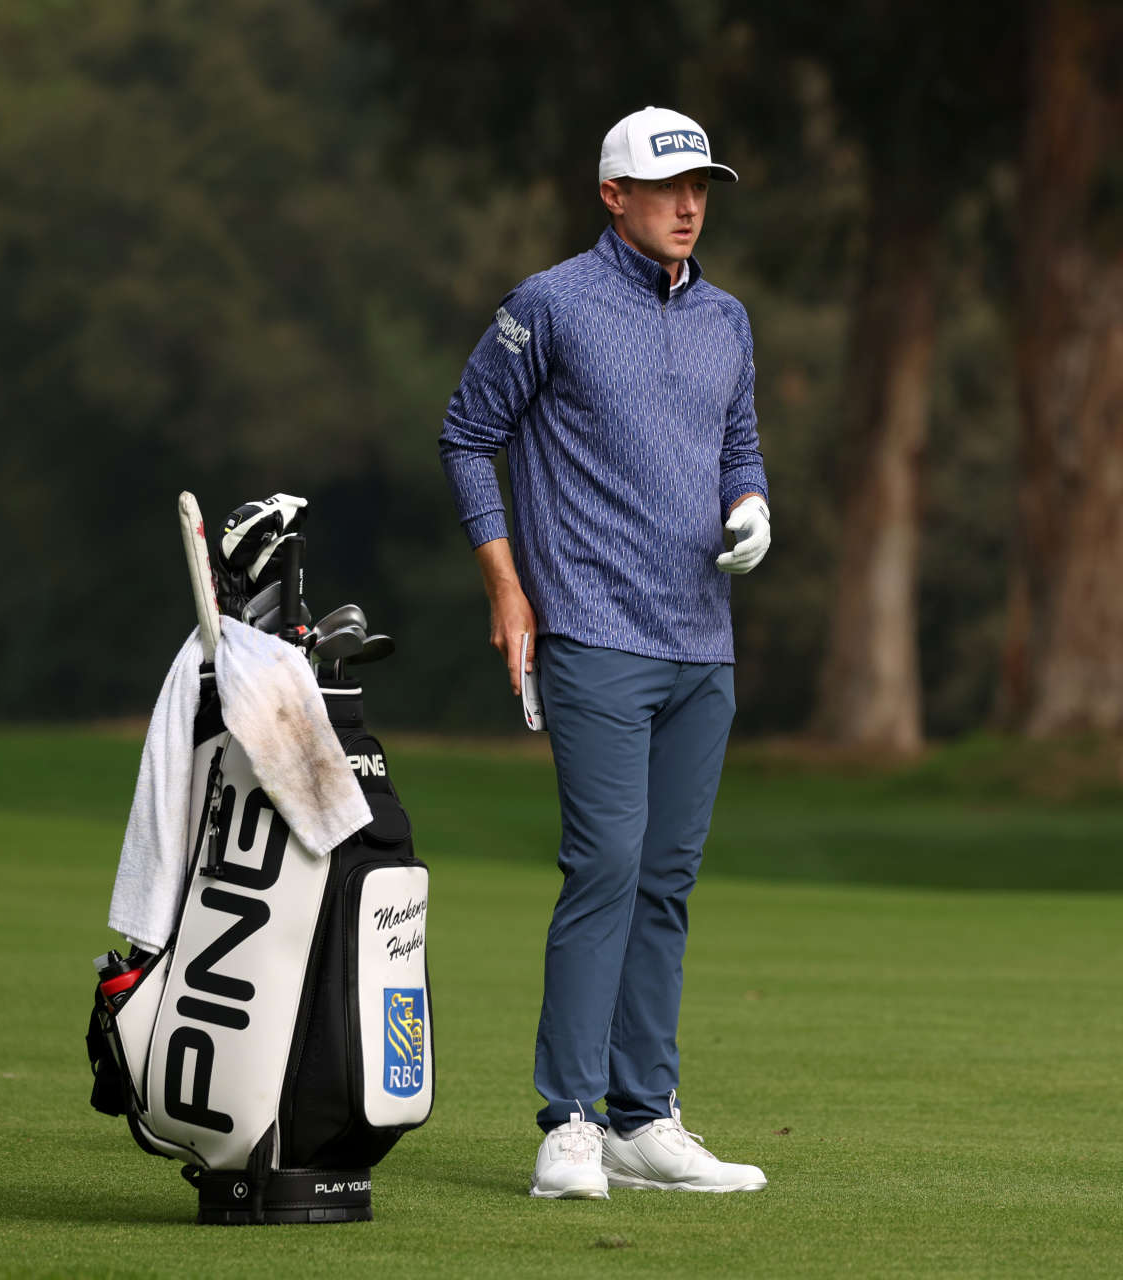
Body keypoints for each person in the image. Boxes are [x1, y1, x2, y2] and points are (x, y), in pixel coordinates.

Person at [437, 106, 772, 1200]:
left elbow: (738, 439)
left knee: (667, 879)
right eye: (666, 187)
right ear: (612, 196)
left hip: (700, 641)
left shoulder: (727, 317)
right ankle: (570, 1119)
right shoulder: (552, 303)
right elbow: (468, 432)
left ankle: (644, 1116)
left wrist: (751, 499)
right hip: (589, 626)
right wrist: (507, 586)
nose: (689, 206)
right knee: (607, 865)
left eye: (701, 188)